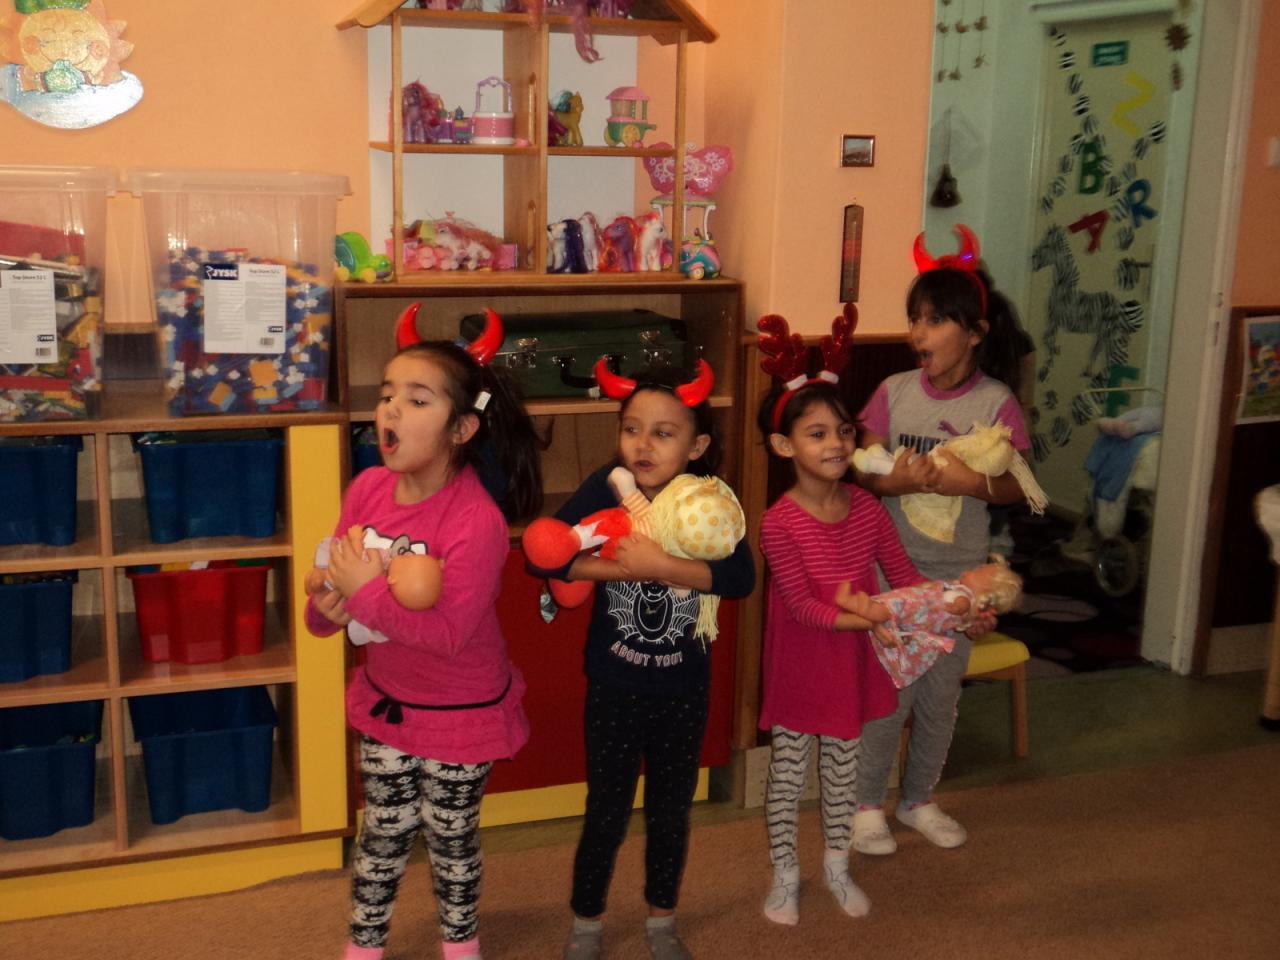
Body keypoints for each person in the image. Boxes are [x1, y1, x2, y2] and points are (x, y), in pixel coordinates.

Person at [304, 307, 543, 960]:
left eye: (417, 399)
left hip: (460, 711)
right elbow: (333, 589)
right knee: (380, 835)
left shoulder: (476, 520)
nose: (392, 410)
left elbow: (448, 635)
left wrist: (364, 592)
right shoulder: (368, 488)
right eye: (387, 395)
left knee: (450, 838)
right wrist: (326, 607)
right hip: (390, 702)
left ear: (462, 428)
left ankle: (461, 947)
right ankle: (363, 947)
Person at [530, 357, 755, 960]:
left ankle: (661, 920)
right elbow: (545, 555)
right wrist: (618, 569)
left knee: (670, 813)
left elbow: (740, 577)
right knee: (605, 811)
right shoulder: (607, 484)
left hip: (684, 689)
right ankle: (586, 922)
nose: (643, 444)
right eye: (631, 428)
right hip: (614, 683)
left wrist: (665, 567)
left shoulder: (709, 500)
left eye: (663, 432)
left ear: (696, 445)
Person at [850, 226, 1030, 855]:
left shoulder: (997, 402)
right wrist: (893, 478)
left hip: (959, 579)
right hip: (894, 574)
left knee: (939, 698)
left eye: (933, 321)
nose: (918, 334)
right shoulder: (894, 392)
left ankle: (919, 798)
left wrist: (971, 483)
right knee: (890, 695)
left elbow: (1019, 484)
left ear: (975, 333)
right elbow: (862, 462)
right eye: (914, 320)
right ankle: (865, 806)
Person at [753, 310, 926, 927]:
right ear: (784, 446)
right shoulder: (778, 521)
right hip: (803, 667)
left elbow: (904, 576)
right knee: (788, 773)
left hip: (852, 663)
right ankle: (784, 873)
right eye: (817, 433)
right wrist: (868, 616)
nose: (835, 444)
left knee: (843, 772)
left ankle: (835, 867)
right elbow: (802, 606)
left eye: (844, 431)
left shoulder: (868, 508)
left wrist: (952, 603)